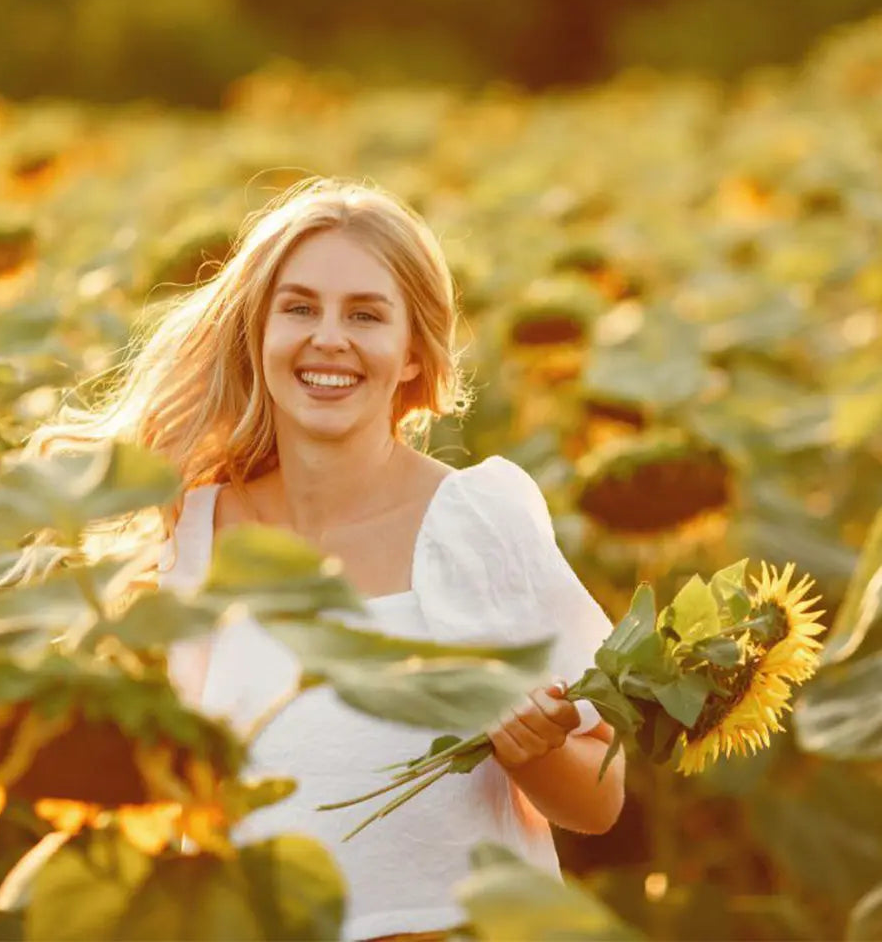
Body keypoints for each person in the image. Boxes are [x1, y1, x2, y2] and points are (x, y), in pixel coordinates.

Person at [39, 176, 625, 942]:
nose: (329, 338)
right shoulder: (195, 528)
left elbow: (600, 802)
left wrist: (531, 753)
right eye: (300, 308)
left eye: (366, 315)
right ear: (257, 332)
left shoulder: (475, 521)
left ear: (413, 354)